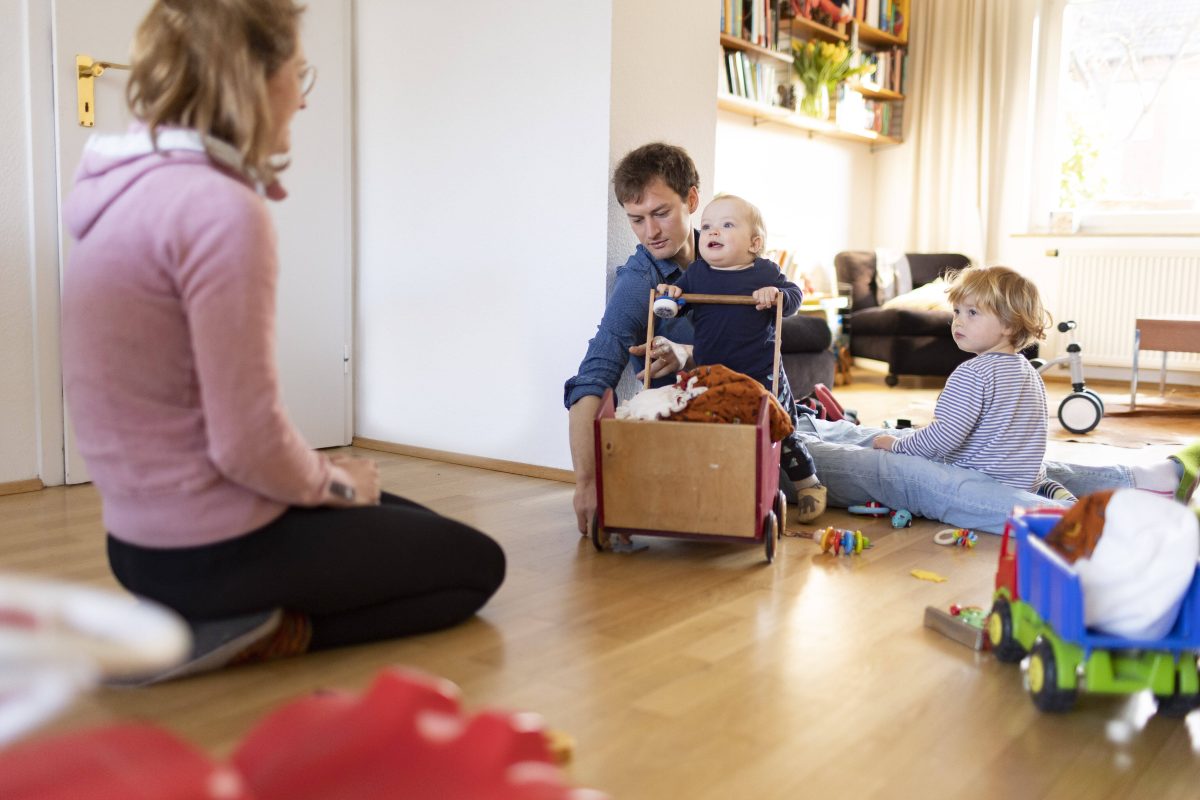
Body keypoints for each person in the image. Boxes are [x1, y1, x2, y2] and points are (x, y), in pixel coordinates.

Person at [60, 0, 505, 681]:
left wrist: (333, 485)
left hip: (137, 545)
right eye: (297, 73)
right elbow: (244, 442)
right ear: (250, 78)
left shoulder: (125, 191)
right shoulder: (217, 207)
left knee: (410, 517)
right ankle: (256, 629)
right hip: (209, 550)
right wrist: (333, 484)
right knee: (474, 566)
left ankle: (204, 611)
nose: (301, 97)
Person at [565, 142, 1198, 536]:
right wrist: (589, 484)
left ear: (694, 203)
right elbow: (592, 377)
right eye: (636, 220)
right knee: (895, 468)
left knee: (958, 454)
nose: (651, 231)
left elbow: (772, 315)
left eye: (663, 214)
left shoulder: (743, 262)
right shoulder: (643, 285)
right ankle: (1062, 512)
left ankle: (1142, 476)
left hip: (787, 415)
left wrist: (718, 334)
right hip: (737, 433)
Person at [656, 193, 826, 521]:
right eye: (707, 226)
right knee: (711, 430)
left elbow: (795, 297)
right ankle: (716, 489)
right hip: (712, 376)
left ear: (754, 243)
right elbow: (677, 303)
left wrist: (776, 294)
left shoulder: (764, 272)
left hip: (760, 374)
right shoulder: (697, 273)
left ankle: (808, 484)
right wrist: (672, 295)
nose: (712, 231)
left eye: (727, 225)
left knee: (780, 429)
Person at [871, 266, 1072, 500]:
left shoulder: (973, 373)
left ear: (1009, 325)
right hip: (1026, 480)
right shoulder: (1029, 371)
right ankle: (1054, 496)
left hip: (981, 486)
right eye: (957, 311)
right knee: (1040, 482)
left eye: (972, 313)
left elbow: (945, 435)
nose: (958, 322)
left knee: (895, 468)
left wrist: (898, 445)